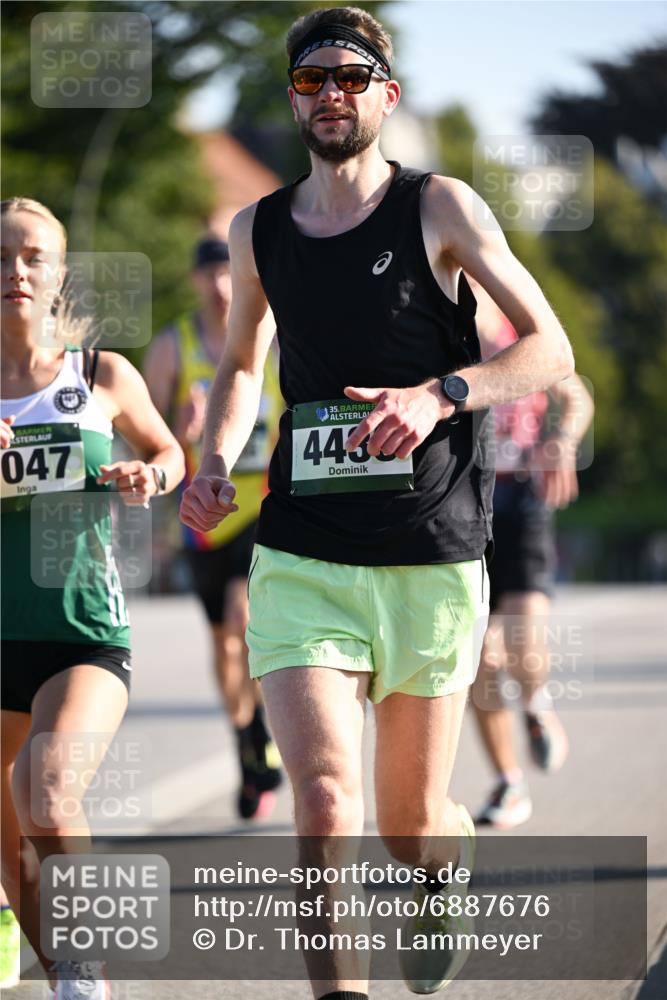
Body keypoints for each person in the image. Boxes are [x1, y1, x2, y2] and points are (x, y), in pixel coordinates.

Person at [179, 7, 575, 998]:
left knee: (408, 828)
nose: (331, 95)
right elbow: (237, 365)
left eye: (351, 77)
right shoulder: (256, 227)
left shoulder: (438, 207)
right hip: (303, 552)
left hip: (428, 550)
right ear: (292, 99)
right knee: (321, 799)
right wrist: (216, 454)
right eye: (311, 80)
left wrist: (439, 392)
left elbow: (546, 348)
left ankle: (440, 874)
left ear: (385, 96)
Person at [1, 197, 184, 1000]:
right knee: (11, 855)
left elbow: (167, 448)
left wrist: (152, 477)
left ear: (58, 271)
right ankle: (50, 961)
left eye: (33, 256)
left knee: (48, 790)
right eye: (1, 256)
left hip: (80, 633)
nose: (15, 271)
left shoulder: (100, 373)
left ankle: (86, 970)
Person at [144, 235, 283, 820]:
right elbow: (148, 442)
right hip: (205, 518)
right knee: (223, 644)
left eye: (230, 273)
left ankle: (264, 732)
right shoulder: (173, 346)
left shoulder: (274, 333)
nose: (222, 287)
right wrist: (183, 428)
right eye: (211, 276)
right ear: (197, 280)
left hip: (265, 506)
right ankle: (248, 738)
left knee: (242, 617)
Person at [469, 278, 594, 828]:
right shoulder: (426, 331)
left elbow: (577, 397)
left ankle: (537, 705)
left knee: (522, 639)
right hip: (458, 502)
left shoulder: (520, 330)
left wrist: (561, 441)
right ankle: (509, 783)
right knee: (477, 655)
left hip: (520, 496)